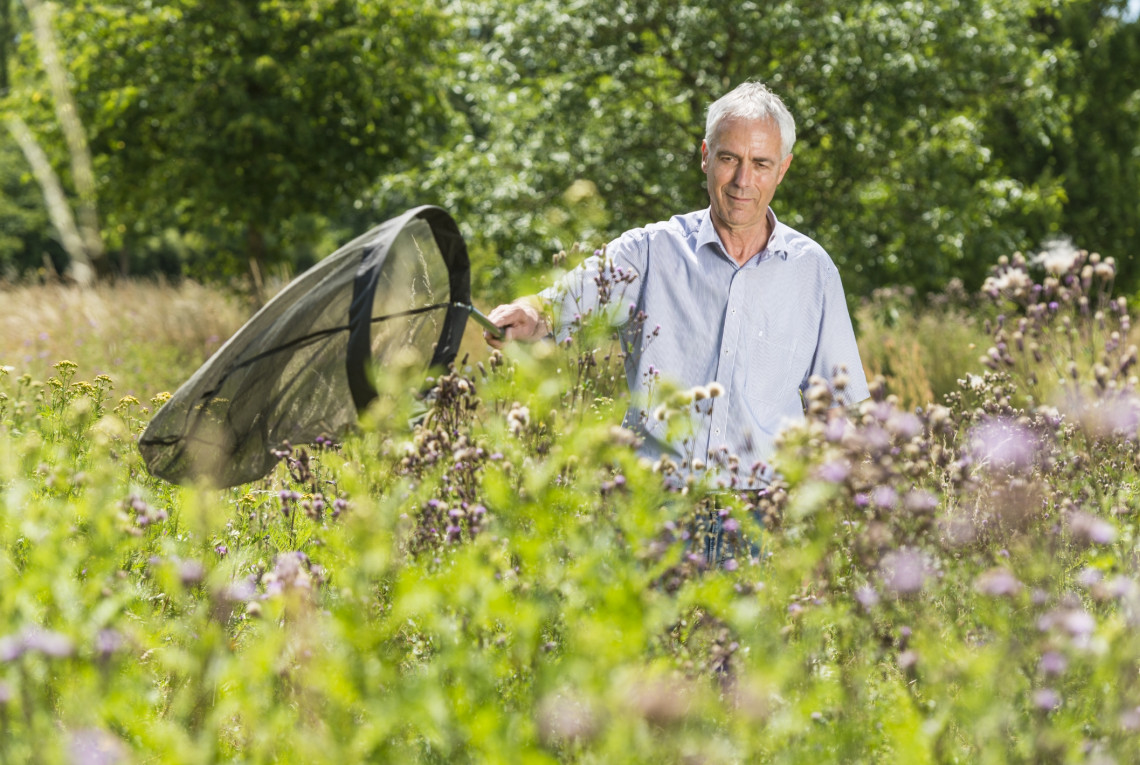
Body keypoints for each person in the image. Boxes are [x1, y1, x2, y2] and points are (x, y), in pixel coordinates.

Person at [485, 81, 869, 490]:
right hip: (656, 507)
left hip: (765, 515)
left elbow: (841, 409)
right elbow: (556, 304)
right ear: (705, 157)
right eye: (729, 158)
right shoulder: (649, 251)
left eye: (760, 163)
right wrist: (526, 314)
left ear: (782, 169)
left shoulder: (812, 271)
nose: (743, 180)